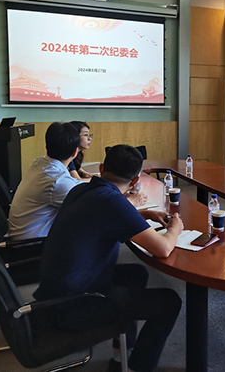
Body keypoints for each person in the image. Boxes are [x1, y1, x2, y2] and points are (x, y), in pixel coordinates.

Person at [34, 144, 183, 372]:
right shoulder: (111, 201)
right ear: (135, 181)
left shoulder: (81, 189)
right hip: (72, 308)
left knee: (136, 274)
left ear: (102, 168)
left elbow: (106, 215)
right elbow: (162, 248)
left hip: (54, 295)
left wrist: (143, 214)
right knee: (169, 302)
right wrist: (175, 229)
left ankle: (121, 354)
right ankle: (137, 368)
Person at [7, 122, 83, 240]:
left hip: (21, 235)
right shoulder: (57, 182)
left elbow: (74, 184)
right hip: (31, 245)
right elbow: (89, 204)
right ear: (75, 152)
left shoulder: (40, 162)